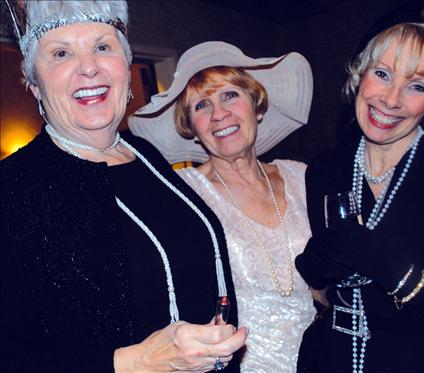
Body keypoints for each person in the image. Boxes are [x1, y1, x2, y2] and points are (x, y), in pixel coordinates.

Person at [0, 2, 247, 372]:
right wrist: (135, 362)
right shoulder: (12, 189)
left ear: (125, 67)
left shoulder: (146, 153)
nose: (88, 67)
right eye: (61, 53)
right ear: (34, 84)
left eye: (102, 47)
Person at [295, 4, 424, 373]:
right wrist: (318, 280)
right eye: (383, 74)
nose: (391, 100)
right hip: (332, 360)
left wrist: (397, 272)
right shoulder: (326, 171)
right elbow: (331, 300)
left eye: (417, 86)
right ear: (360, 75)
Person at [129, 41, 317, 372]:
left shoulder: (300, 176)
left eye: (230, 95)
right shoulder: (184, 194)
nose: (218, 114)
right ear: (193, 130)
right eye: (202, 105)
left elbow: (326, 283)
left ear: (257, 106)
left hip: (324, 358)